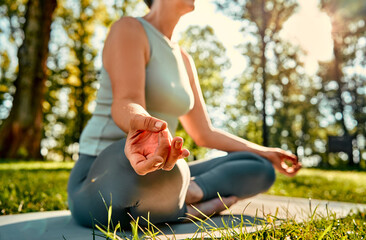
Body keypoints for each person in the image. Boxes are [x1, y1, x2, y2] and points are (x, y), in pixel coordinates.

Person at [67, 0, 301, 229]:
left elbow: (204, 133)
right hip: (103, 173)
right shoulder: (129, 29)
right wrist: (145, 127)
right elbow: (126, 101)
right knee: (153, 172)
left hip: (162, 170)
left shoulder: (185, 60)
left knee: (259, 168)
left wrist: (265, 152)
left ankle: (185, 193)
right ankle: (185, 206)